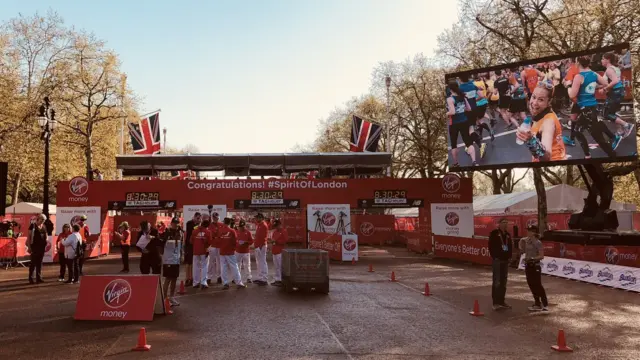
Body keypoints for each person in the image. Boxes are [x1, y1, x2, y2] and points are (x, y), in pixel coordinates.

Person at [568, 55, 617, 158]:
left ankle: (612, 155)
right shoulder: (594, 74)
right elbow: (605, 83)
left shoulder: (579, 76)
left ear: (578, 63)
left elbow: (572, 95)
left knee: (597, 137)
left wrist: (568, 86)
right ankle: (587, 155)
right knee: (577, 131)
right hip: (591, 107)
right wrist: (593, 87)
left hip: (587, 110)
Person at [516, 82, 567, 162]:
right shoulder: (542, 113)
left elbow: (547, 157)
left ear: (549, 102)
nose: (535, 103)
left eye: (541, 100)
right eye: (534, 97)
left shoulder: (548, 122)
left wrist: (531, 140)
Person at [601, 52, 634, 148]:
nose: (601, 61)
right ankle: (620, 131)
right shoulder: (615, 68)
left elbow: (615, 81)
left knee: (606, 114)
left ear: (607, 60)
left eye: (603, 58)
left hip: (615, 92)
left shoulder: (609, 69)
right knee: (612, 112)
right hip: (618, 92)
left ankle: (626, 125)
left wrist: (605, 89)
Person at [446, 80, 478, 167]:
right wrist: (461, 109)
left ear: (450, 89)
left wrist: (446, 113)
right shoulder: (462, 96)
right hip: (464, 121)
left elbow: (452, 112)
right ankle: (474, 161)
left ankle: (456, 163)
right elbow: (469, 109)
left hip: (454, 123)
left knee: (453, 144)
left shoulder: (450, 99)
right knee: (468, 142)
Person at [519, 225, 549, 312]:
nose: (527, 232)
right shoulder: (527, 241)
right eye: (527, 230)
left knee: (538, 285)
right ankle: (537, 303)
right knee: (531, 284)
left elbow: (541, 256)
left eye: (529, 231)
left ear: (533, 232)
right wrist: (521, 244)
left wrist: (532, 259)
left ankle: (545, 304)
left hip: (535, 265)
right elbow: (523, 250)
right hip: (528, 265)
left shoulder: (538, 242)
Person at [488, 218, 513, 310]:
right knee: (497, 281)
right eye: (504, 223)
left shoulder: (507, 235)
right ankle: (495, 303)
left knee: (504, 281)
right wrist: (494, 256)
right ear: (499, 224)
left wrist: (510, 256)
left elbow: (510, 246)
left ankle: (502, 301)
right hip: (497, 260)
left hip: (505, 260)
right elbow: (490, 246)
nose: (506, 224)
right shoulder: (494, 233)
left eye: (507, 222)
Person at [161, 217, 183, 306]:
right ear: (172, 223)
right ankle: (165, 298)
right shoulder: (166, 233)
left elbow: (180, 245)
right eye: (175, 223)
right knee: (168, 279)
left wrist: (181, 255)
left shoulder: (180, 233)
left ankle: (172, 297)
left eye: (177, 223)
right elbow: (161, 245)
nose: (176, 224)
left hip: (176, 259)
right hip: (168, 259)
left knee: (174, 278)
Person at [219, 218, 245, 289]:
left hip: (222, 251)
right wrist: (234, 248)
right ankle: (239, 283)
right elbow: (235, 241)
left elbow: (218, 240)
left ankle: (225, 283)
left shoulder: (220, 230)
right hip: (230, 251)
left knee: (223, 267)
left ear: (224, 222)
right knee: (234, 267)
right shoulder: (232, 231)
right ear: (230, 223)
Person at [26, 214, 48, 284]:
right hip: (34, 247)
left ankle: (39, 278)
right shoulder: (32, 226)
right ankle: (31, 279)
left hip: (42, 248)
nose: (43, 221)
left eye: (44, 220)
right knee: (33, 263)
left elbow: (46, 235)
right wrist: (29, 247)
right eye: (42, 219)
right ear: (38, 219)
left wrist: (46, 242)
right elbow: (29, 237)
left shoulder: (44, 226)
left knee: (39, 263)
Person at [191, 216, 212, 289]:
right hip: (204, 251)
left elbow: (191, 241)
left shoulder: (194, 230)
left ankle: (195, 283)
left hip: (196, 251)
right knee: (204, 267)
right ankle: (203, 282)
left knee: (196, 267)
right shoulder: (208, 232)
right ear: (207, 226)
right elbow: (209, 242)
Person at [184, 212, 202, 286]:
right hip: (189, 246)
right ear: (194, 217)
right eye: (197, 218)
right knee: (189, 263)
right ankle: (188, 278)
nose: (198, 220)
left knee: (194, 263)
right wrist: (198, 225)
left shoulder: (197, 225)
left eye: (199, 218)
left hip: (195, 245)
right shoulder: (189, 223)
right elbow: (192, 229)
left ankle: (193, 278)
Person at [270, 219, 288, 287]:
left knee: (280, 266)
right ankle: (277, 279)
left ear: (280, 225)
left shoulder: (284, 231)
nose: (276, 227)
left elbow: (285, 241)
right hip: (275, 250)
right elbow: (273, 239)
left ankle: (281, 280)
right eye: (275, 226)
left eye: (277, 226)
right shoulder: (275, 232)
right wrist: (272, 242)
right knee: (276, 266)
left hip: (280, 251)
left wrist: (277, 242)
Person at [235, 219, 254, 284]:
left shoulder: (248, 232)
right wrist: (237, 243)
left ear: (244, 226)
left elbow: (251, 241)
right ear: (239, 226)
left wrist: (246, 242)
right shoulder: (236, 232)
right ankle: (237, 278)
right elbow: (234, 241)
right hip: (238, 251)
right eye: (241, 227)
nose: (242, 228)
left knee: (247, 265)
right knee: (237, 265)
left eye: (243, 227)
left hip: (246, 251)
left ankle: (249, 278)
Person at [253, 213, 269, 286]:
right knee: (259, 262)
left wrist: (260, 246)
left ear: (260, 218)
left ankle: (264, 279)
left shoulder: (263, 225)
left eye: (257, 218)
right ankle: (260, 278)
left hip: (261, 246)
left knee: (262, 262)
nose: (256, 219)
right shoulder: (259, 225)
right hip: (258, 246)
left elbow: (263, 238)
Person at [207, 212, 223, 285]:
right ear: (213, 218)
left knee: (219, 262)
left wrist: (217, 236)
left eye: (217, 218)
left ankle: (219, 276)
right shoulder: (210, 225)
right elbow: (211, 235)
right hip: (212, 246)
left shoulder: (221, 225)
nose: (216, 219)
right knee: (211, 262)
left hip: (219, 245)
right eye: (214, 218)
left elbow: (221, 234)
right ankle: (209, 277)